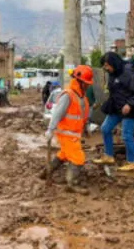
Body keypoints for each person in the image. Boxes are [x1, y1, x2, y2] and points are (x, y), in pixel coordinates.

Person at [39, 65, 94, 194]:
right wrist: (50, 129)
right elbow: (57, 114)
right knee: (78, 158)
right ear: (79, 81)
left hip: (74, 134)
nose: (88, 86)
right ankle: (72, 184)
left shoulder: (82, 98)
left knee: (64, 154)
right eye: (86, 83)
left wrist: (86, 128)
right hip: (66, 133)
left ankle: (46, 171)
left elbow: (82, 116)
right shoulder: (68, 95)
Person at [93, 53, 134, 171]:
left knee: (127, 135)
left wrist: (130, 104)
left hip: (131, 109)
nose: (106, 68)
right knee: (105, 128)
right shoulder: (113, 73)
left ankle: (132, 162)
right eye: (104, 66)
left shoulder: (129, 74)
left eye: (107, 65)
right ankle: (108, 155)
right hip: (117, 108)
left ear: (114, 63)